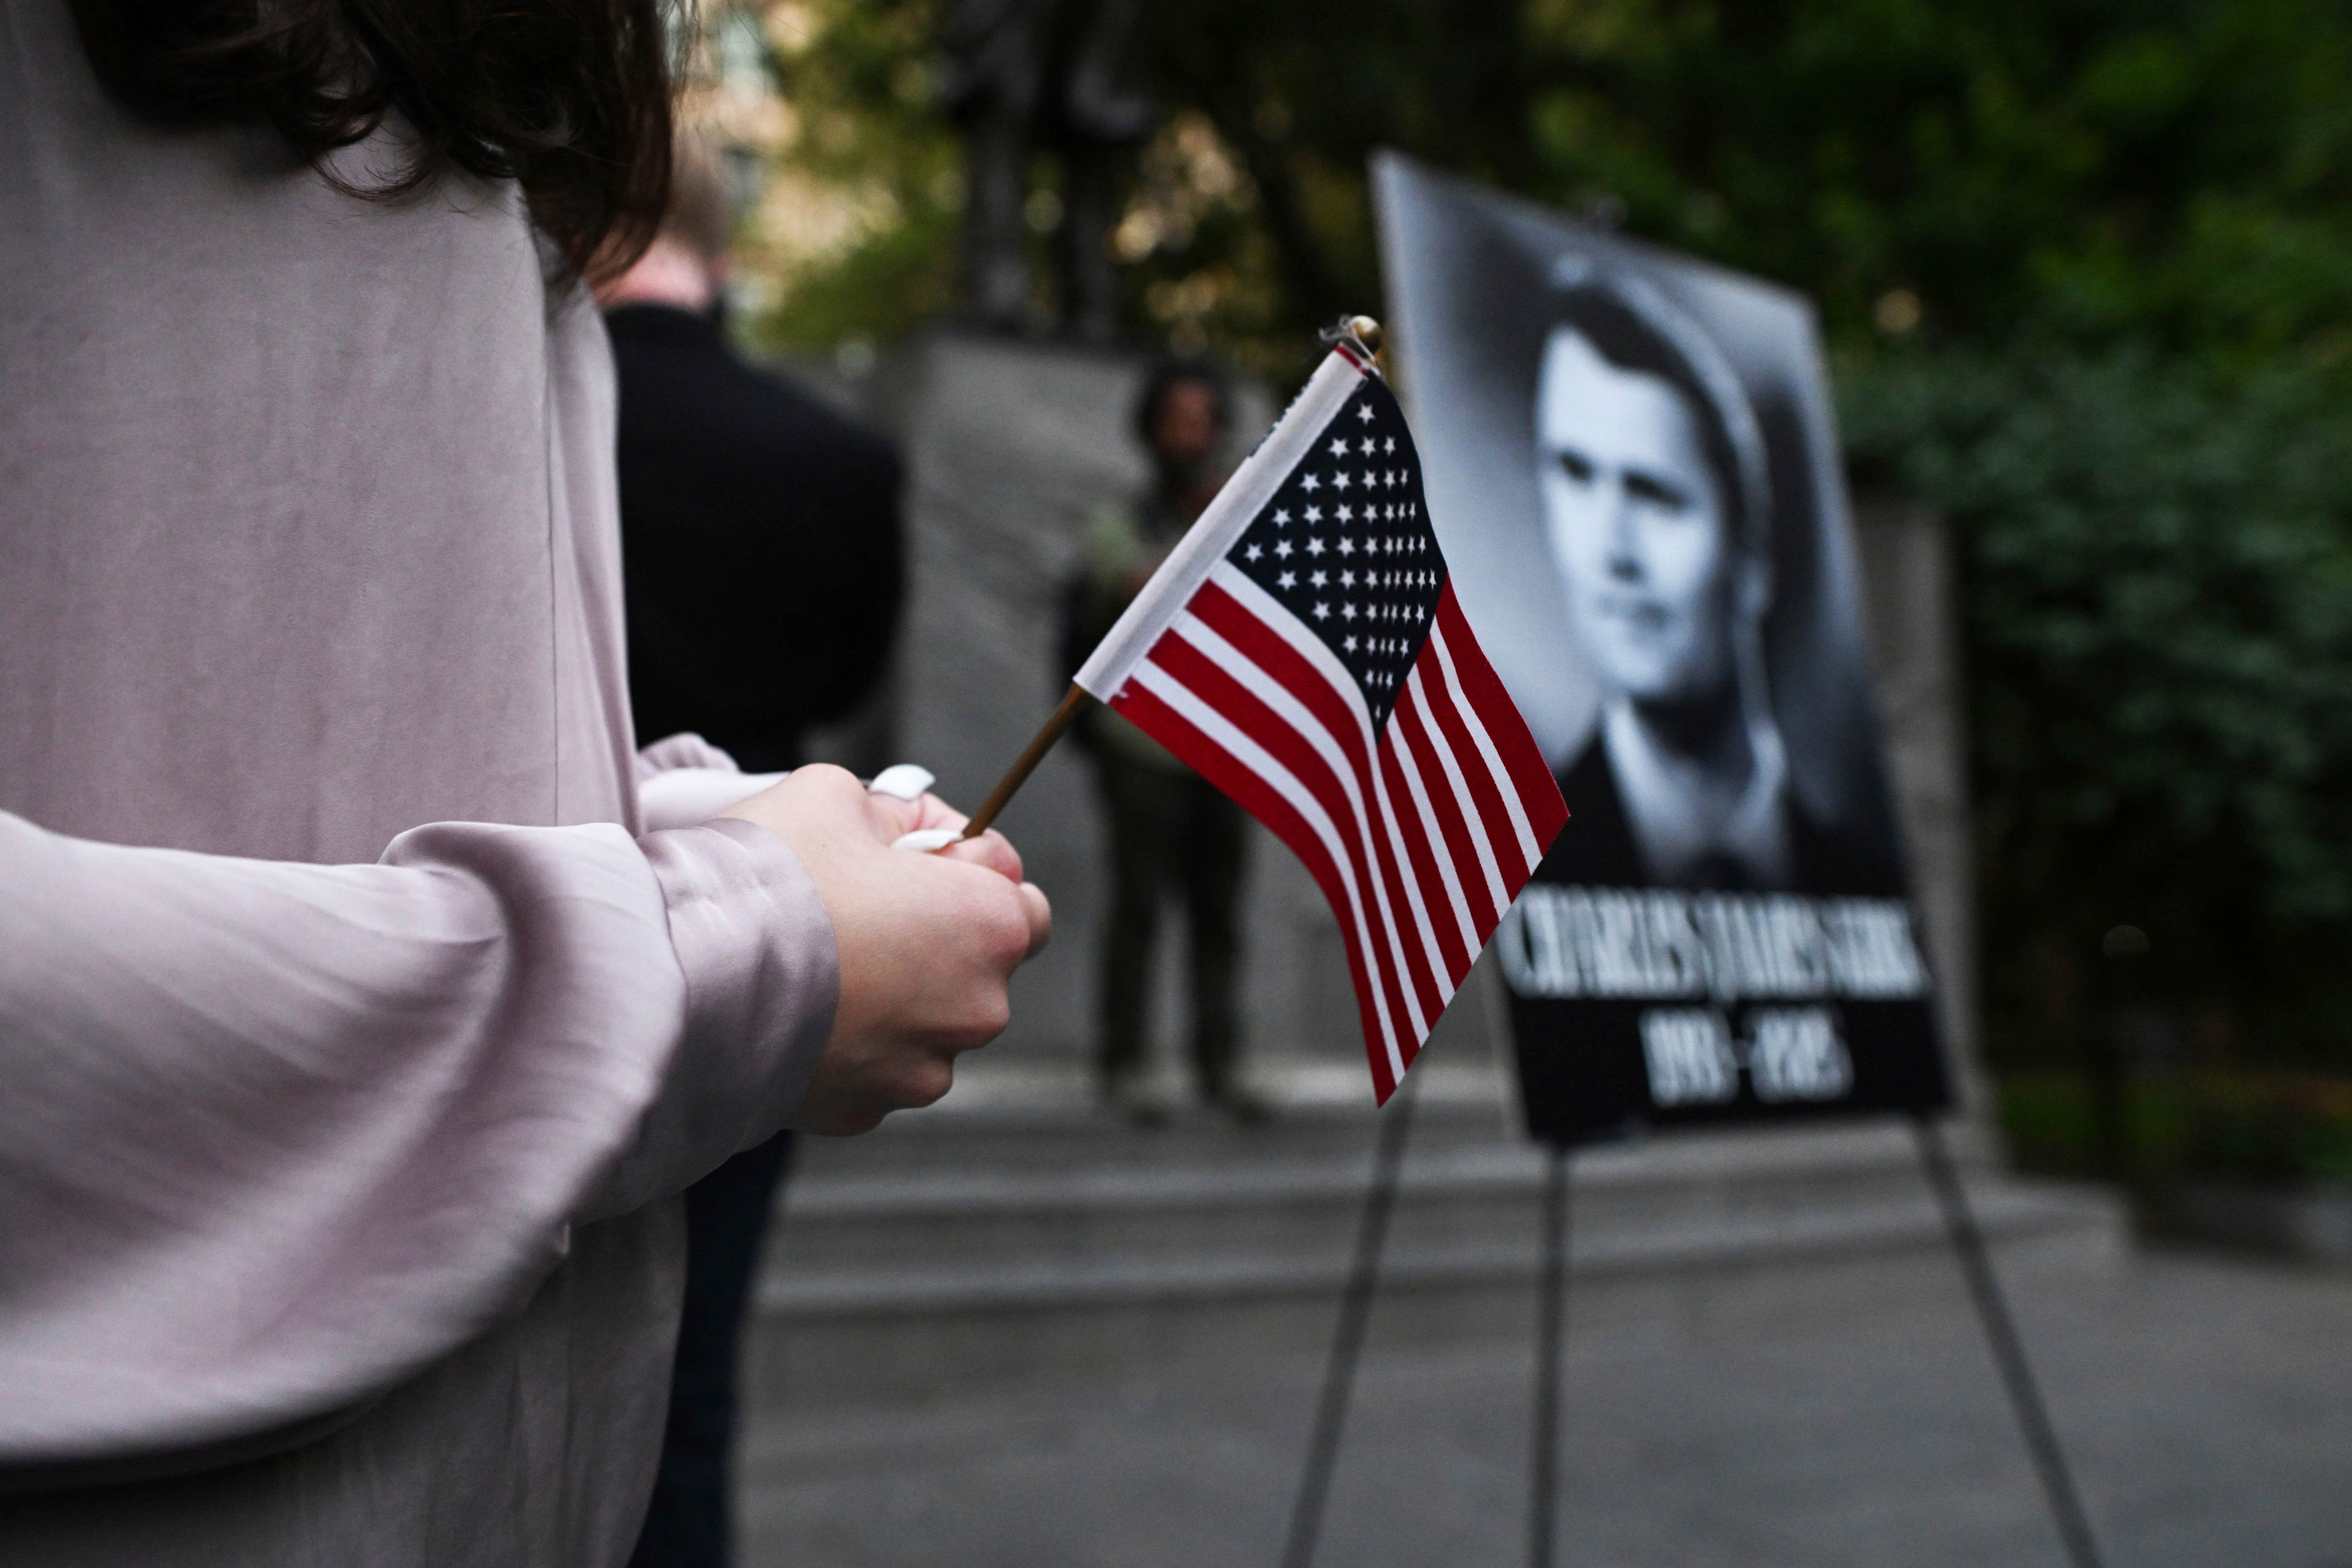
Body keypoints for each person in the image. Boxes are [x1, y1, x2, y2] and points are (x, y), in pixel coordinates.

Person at [0, 6, 1047, 1566]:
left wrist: (727, 863)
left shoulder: (503, 215)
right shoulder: (829, 455)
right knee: (706, 1404)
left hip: (536, 1269)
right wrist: (742, 938)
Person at [597, 137, 905, 1568]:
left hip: (521, 893)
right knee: (691, 1370)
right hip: (753, 930)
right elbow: (848, 680)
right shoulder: (835, 458)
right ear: (723, 253)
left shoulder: (521, 416)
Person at [1529, 269, 1895, 896]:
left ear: (1751, 555)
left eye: (1655, 495)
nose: (1611, 552)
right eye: (1576, 473)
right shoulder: (1511, 868)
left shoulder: (1861, 882)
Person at [1071, 360, 1267, 1124]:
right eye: (1175, 420)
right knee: (1139, 908)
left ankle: (1220, 1061)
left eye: (1202, 420)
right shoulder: (1122, 520)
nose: (1190, 436)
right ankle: (1124, 1059)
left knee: (1219, 913)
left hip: (1223, 749)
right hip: (1142, 750)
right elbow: (1129, 583)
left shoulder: (1235, 520)